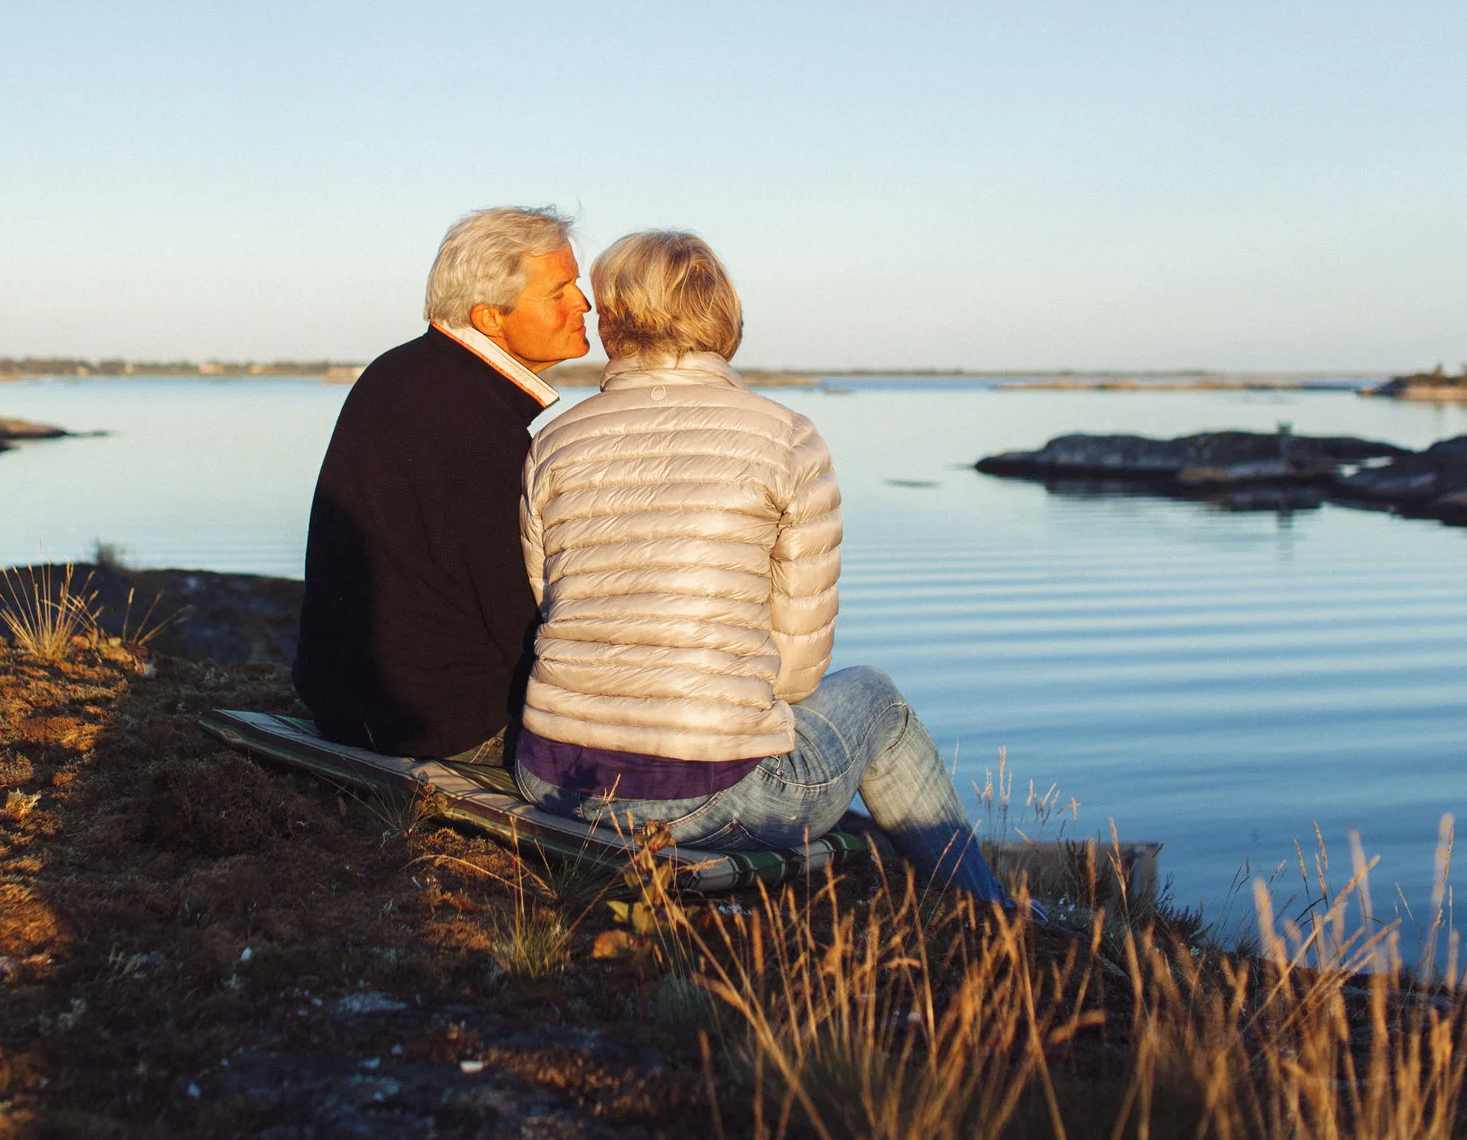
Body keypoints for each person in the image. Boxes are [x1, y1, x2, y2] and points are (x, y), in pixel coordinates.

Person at [513, 231, 1007, 902]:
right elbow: (799, 672)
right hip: (711, 798)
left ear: (612, 324)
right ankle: (996, 915)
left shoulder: (553, 442)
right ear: (721, 315)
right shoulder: (785, 437)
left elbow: (552, 598)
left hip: (550, 777)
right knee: (880, 701)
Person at [291, 206, 591, 763]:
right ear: (489, 318)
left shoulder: (402, 372)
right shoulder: (475, 425)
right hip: (445, 723)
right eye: (560, 290)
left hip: (348, 705)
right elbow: (517, 618)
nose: (584, 304)